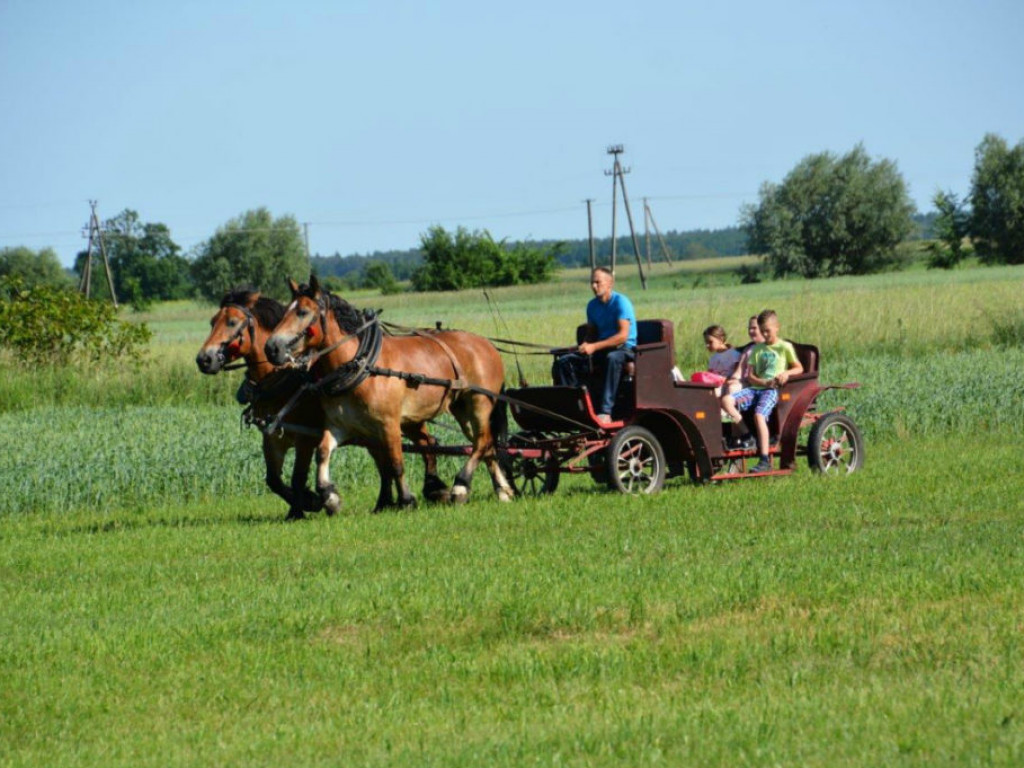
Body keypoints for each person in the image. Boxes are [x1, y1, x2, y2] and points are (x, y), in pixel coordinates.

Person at [721, 309, 803, 473]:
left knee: (759, 415)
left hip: (771, 391)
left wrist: (786, 373)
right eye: (762, 331)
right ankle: (747, 435)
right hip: (756, 389)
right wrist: (762, 382)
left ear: (777, 327)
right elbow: (750, 376)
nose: (765, 335)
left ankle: (764, 459)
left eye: (767, 331)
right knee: (726, 400)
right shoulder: (758, 349)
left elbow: (799, 368)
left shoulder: (784, 347)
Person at [552, 267, 637, 423]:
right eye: (592, 282)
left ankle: (605, 412)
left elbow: (622, 337)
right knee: (564, 362)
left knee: (612, 358)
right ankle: (573, 408)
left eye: (598, 282)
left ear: (610, 283)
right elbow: (591, 334)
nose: (594, 286)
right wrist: (584, 345)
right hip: (602, 348)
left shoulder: (621, 302)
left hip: (625, 349)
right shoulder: (592, 306)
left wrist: (594, 347)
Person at [690, 324, 741, 396]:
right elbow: (711, 375)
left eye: (710, 342)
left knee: (713, 393)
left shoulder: (734, 354)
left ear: (720, 340)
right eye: (706, 342)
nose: (707, 345)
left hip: (728, 385)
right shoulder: (713, 358)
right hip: (716, 385)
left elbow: (737, 373)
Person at [725, 315, 766, 394]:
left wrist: (740, 381)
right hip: (745, 382)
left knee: (732, 388)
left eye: (754, 328)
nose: (750, 331)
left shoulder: (769, 348)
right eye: (749, 328)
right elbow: (739, 371)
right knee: (717, 389)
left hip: (758, 384)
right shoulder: (748, 349)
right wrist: (734, 379)